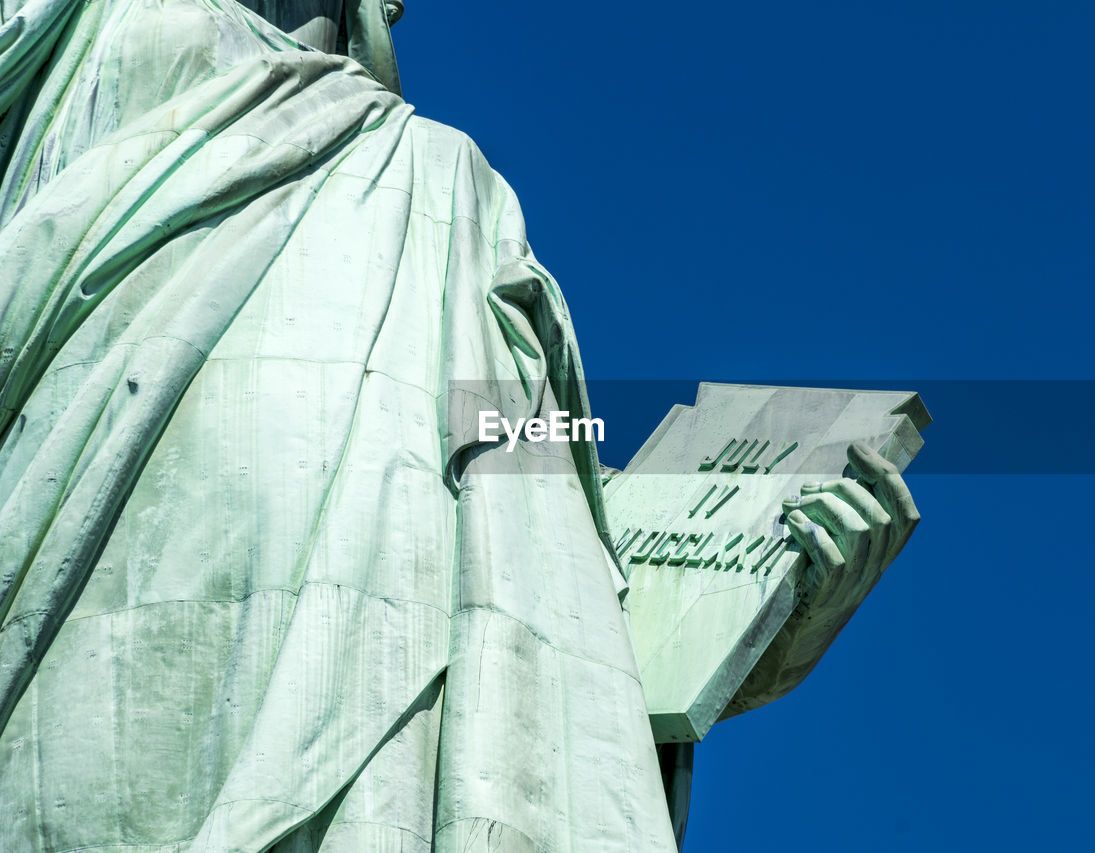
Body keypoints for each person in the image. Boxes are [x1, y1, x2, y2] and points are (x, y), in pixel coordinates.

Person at [0, 0, 919, 849]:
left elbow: (547, 555)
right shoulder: (85, 27)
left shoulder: (449, 183)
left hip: (416, 756)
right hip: (90, 662)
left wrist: (762, 624)